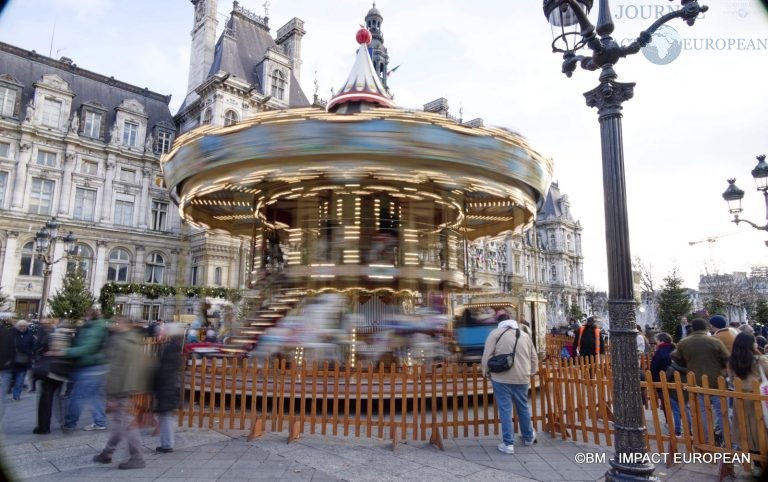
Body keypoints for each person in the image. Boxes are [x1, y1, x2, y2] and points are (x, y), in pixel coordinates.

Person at [92, 317, 152, 469]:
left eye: (115, 323)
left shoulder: (118, 342)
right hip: (132, 386)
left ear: (121, 325)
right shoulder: (135, 340)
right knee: (121, 422)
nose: (113, 325)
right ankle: (107, 453)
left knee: (125, 424)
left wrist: (111, 394)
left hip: (120, 387)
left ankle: (137, 457)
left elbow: (115, 370)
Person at [481, 316, 538, 454]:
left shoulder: (495, 334)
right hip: (522, 378)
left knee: (505, 410)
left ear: (500, 323)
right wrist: (531, 372)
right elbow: (534, 357)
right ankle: (528, 437)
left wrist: (486, 372)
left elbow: (487, 355)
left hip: (501, 378)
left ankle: (508, 444)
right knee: (523, 407)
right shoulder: (524, 335)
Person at [671, 318, 729, 445]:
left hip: (695, 380)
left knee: (702, 411)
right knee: (722, 412)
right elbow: (726, 358)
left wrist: (688, 363)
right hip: (716, 380)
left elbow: (675, 357)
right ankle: (728, 440)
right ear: (706, 327)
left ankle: (708, 440)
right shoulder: (715, 341)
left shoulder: (684, 342)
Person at [62, 309, 109, 431]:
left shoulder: (94, 328)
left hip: (89, 367)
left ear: (89, 316)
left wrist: (67, 352)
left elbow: (88, 347)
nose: (84, 318)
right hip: (97, 366)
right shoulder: (96, 327)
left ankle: (70, 422)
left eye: (86, 315)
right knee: (95, 396)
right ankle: (100, 421)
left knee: (77, 396)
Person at [728, 332, 768, 460]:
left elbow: (731, 378)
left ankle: (755, 462)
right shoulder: (759, 360)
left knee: (746, 429)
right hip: (758, 397)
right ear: (751, 344)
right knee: (762, 427)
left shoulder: (731, 362)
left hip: (741, 397)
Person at [32, 320, 72, 434]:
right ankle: (64, 422)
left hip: (50, 373)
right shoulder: (71, 338)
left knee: (45, 400)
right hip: (63, 373)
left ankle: (43, 427)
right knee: (59, 399)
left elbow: (39, 350)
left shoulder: (52, 336)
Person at [650, 332, 689, 437]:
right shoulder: (675, 349)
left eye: (657, 341)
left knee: (668, 405)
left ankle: (674, 427)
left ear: (661, 341)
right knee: (684, 406)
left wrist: (654, 381)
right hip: (681, 381)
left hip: (664, 381)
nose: (656, 343)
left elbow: (654, 368)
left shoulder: (660, 352)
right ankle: (687, 429)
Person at [153, 323, 184, 453]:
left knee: (165, 416)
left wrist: (157, 383)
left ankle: (167, 444)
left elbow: (164, 369)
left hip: (167, 386)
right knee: (166, 416)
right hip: (171, 384)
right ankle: (167, 443)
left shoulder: (169, 349)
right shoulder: (176, 348)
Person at [11, 320, 36, 401]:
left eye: (24, 326)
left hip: (24, 361)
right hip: (13, 360)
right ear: (17, 327)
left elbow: (33, 347)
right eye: (20, 326)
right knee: (12, 378)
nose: (22, 327)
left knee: (20, 379)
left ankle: (16, 395)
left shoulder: (30, 335)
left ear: (26, 327)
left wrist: (30, 354)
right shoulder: (13, 334)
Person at [0, 320, 15, 420]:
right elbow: (13, 351)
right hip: (5, 367)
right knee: (1, 397)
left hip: (5, 367)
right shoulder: (8, 333)